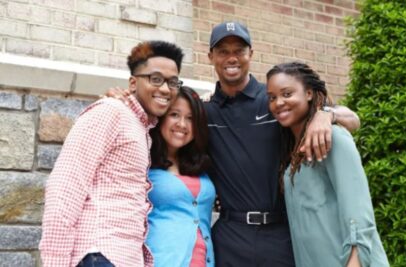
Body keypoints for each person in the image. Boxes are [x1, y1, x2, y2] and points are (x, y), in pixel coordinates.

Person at [206, 21, 361, 266]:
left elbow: (354, 120)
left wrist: (327, 114)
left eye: (239, 50)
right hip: (230, 236)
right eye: (223, 51)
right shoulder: (205, 112)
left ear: (251, 54)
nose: (231, 57)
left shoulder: (273, 101)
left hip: (281, 235)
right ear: (211, 57)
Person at [39, 40, 184, 267]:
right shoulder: (110, 111)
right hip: (100, 254)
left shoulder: (142, 126)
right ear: (133, 83)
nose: (166, 89)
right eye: (156, 79)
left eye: (173, 82)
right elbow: (65, 188)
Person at [266, 61, 389, 267]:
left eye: (287, 94)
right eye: (272, 98)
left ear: (309, 94)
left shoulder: (334, 138)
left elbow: (359, 215)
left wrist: (327, 113)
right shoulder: (292, 151)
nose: (278, 103)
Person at [146, 86, 216, 267]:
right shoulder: (143, 162)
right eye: (174, 114)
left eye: (190, 118)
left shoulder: (199, 165)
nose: (182, 124)